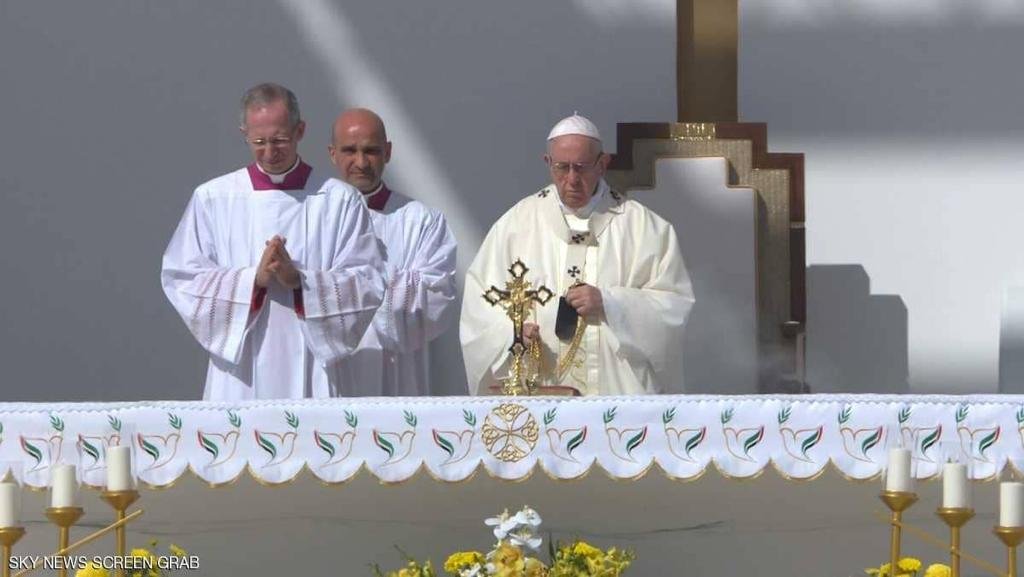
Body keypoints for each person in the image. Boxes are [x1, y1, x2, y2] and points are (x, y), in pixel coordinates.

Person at [161, 83, 385, 400]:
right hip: (240, 371)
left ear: (300, 131)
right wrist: (253, 281)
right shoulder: (213, 198)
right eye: (259, 142)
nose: (269, 152)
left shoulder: (339, 200)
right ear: (244, 134)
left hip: (313, 366)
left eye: (279, 140)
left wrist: (301, 282)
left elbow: (368, 281)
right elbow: (183, 278)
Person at [460, 113, 695, 395]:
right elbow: (479, 306)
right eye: (562, 167)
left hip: (617, 394)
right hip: (540, 391)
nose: (572, 179)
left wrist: (610, 303)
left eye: (581, 168)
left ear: (602, 164)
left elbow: (673, 306)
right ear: (547, 163)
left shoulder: (645, 229)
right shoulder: (515, 226)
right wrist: (512, 333)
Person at [325, 108, 457, 396]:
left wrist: (364, 280)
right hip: (331, 373)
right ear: (332, 154)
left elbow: (437, 295)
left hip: (396, 373)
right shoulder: (314, 219)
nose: (361, 162)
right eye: (350, 151)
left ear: (388, 152)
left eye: (371, 151)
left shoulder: (422, 221)